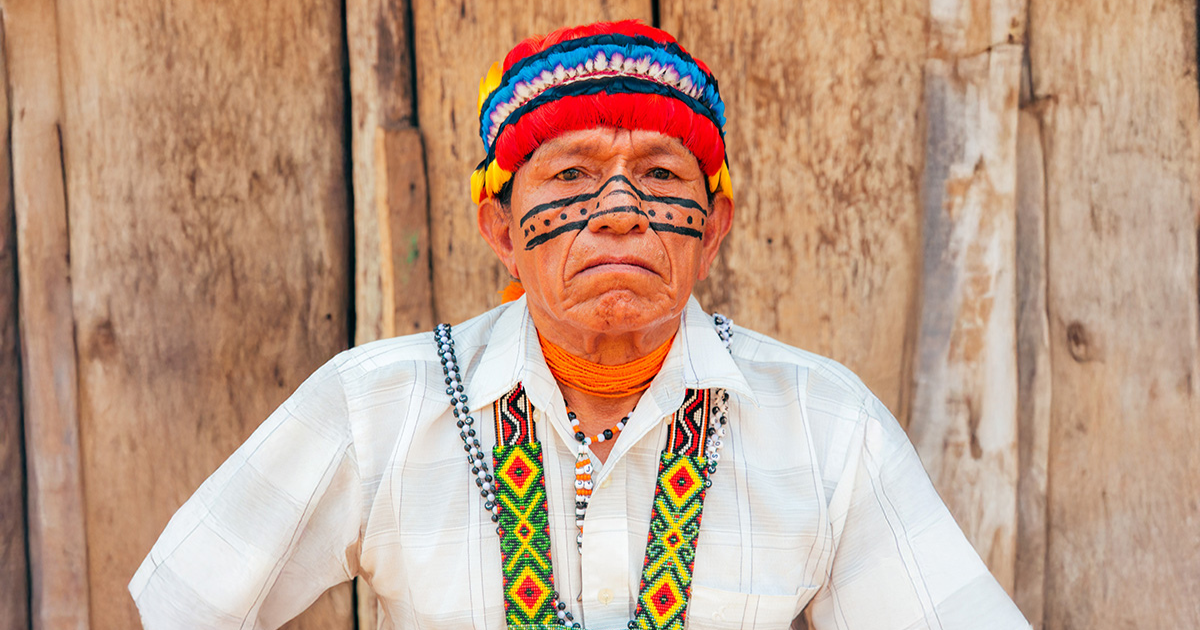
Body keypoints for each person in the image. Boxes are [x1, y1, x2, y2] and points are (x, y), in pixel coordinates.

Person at [130, 20, 1030, 630]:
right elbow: (183, 605)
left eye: (663, 175)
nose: (620, 210)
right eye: (568, 176)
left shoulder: (823, 422)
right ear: (499, 231)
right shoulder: (377, 407)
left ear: (713, 228)